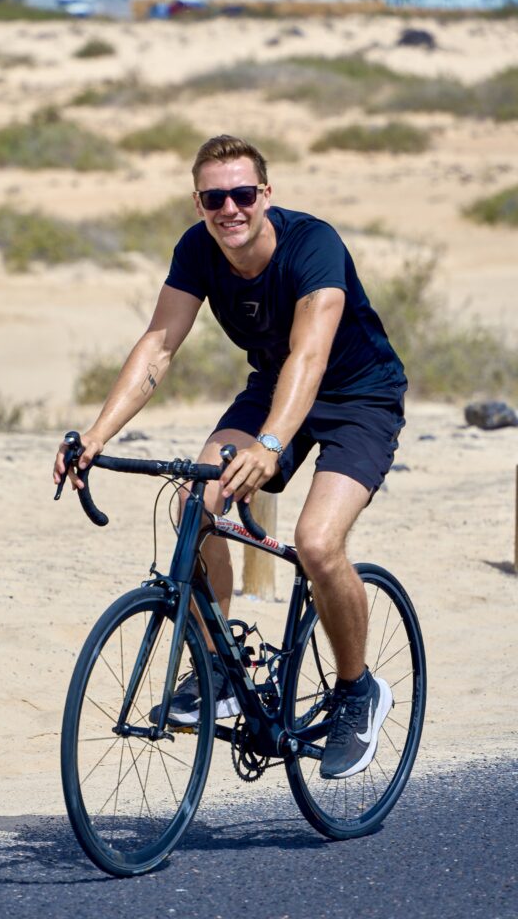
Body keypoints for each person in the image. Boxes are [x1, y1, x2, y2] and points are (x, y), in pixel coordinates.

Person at [53, 134, 407, 780]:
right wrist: (97, 435)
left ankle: (358, 691)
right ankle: (217, 668)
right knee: (195, 504)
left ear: (265, 194)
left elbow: (310, 356)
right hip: (273, 388)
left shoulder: (313, 245)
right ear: (198, 203)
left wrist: (270, 446)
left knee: (317, 543)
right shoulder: (197, 250)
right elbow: (158, 347)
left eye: (243, 194)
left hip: (359, 397)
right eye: (215, 198)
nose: (230, 209)